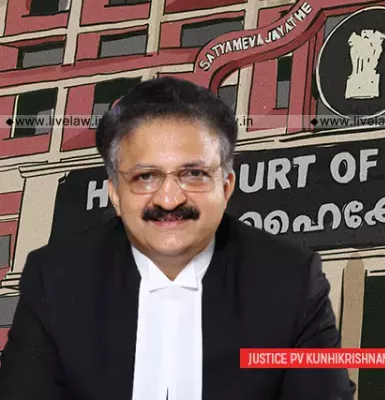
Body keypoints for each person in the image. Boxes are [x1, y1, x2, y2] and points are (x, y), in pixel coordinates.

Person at [0, 77, 356, 400]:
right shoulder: (56, 279)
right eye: (145, 177)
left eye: (194, 174)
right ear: (116, 195)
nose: (169, 200)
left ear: (226, 187)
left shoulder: (291, 279)